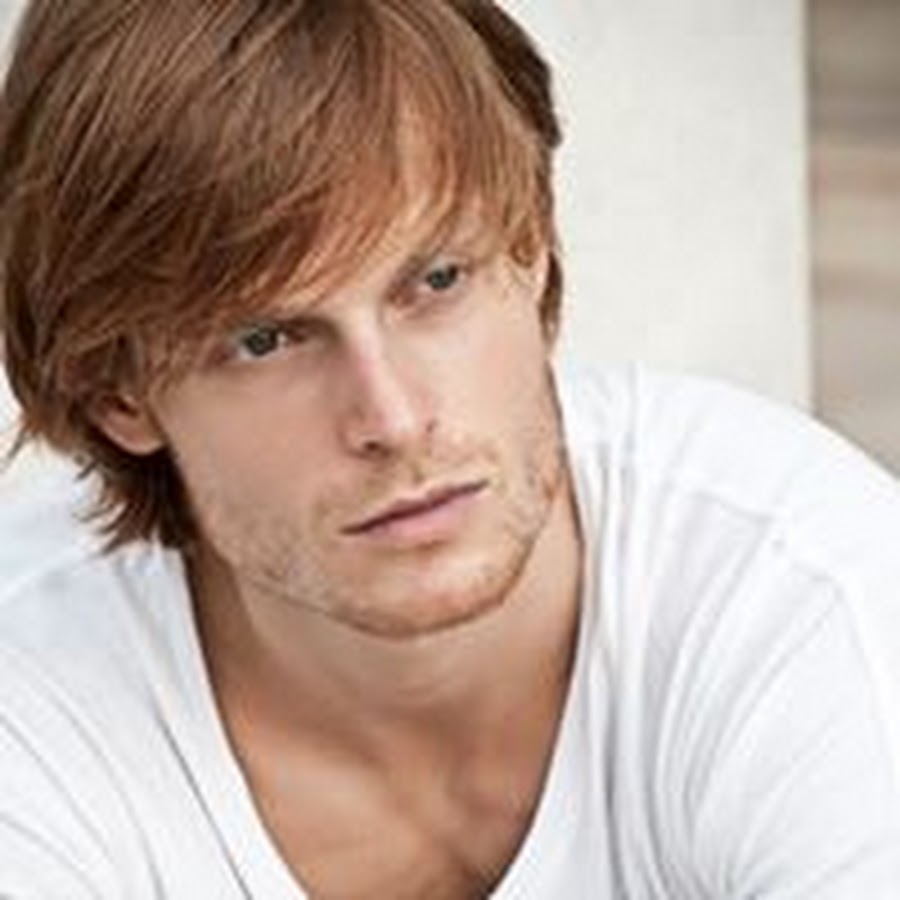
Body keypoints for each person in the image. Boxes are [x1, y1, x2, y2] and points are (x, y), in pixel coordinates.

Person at [1, 0, 899, 896]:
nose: (392, 418)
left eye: (436, 281)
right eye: (265, 340)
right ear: (117, 393)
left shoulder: (799, 587)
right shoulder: (32, 694)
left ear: (531, 249)